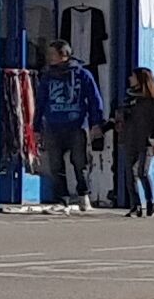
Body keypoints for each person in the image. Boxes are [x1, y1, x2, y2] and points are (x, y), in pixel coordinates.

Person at [33, 44, 105, 209]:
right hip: (53, 126)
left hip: (76, 126)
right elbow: (40, 102)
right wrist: (36, 127)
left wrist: (96, 123)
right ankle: (61, 198)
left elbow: (94, 99)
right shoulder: (47, 76)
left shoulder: (82, 74)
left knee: (80, 162)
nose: (50, 57)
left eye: (53, 54)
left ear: (64, 55)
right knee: (55, 164)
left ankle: (83, 194)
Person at [113, 66, 154, 217]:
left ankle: (150, 202)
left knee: (143, 172)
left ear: (141, 78)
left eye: (133, 76)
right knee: (130, 174)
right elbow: (119, 115)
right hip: (130, 139)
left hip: (146, 140)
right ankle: (135, 206)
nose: (130, 79)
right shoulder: (128, 97)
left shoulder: (153, 97)